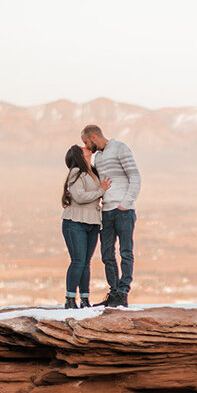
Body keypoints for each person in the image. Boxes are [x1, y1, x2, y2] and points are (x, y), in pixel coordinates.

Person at [82, 124, 140, 307]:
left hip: (123, 210)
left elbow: (135, 176)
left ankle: (123, 292)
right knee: (107, 253)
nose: (85, 145)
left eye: (85, 141)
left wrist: (126, 203)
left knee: (125, 251)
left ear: (93, 137)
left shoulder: (120, 148)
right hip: (106, 211)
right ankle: (114, 292)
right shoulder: (98, 156)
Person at [60, 144, 111, 309]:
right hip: (75, 222)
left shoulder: (93, 172)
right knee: (78, 261)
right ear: (78, 155)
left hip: (92, 223)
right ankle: (69, 299)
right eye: (82, 148)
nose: (86, 147)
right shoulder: (76, 173)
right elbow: (80, 197)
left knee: (86, 262)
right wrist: (101, 191)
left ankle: (84, 298)